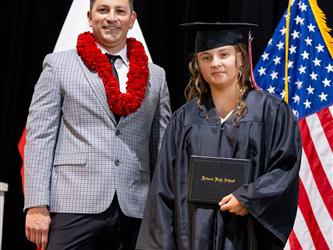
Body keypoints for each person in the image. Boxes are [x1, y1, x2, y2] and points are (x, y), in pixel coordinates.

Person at [136, 22, 301, 250]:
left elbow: (285, 168)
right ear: (198, 65)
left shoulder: (271, 112)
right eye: (206, 57)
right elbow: (164, 189)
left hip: (245, 235)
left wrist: (249, 199)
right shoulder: (184, 119)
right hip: (191, 239)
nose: (215, 63)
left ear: (240, 58)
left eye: (224, 54)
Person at [24, 0, 171, 249]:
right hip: (72, 203)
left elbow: (161, 147)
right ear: (90, 16)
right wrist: (37, 204)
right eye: (103, 10)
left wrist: (162, 208)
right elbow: (40, 136)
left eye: (120, 11)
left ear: (132, 19)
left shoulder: (156, 76)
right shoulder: (58, 65)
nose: (111, 18)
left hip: (134, 207)